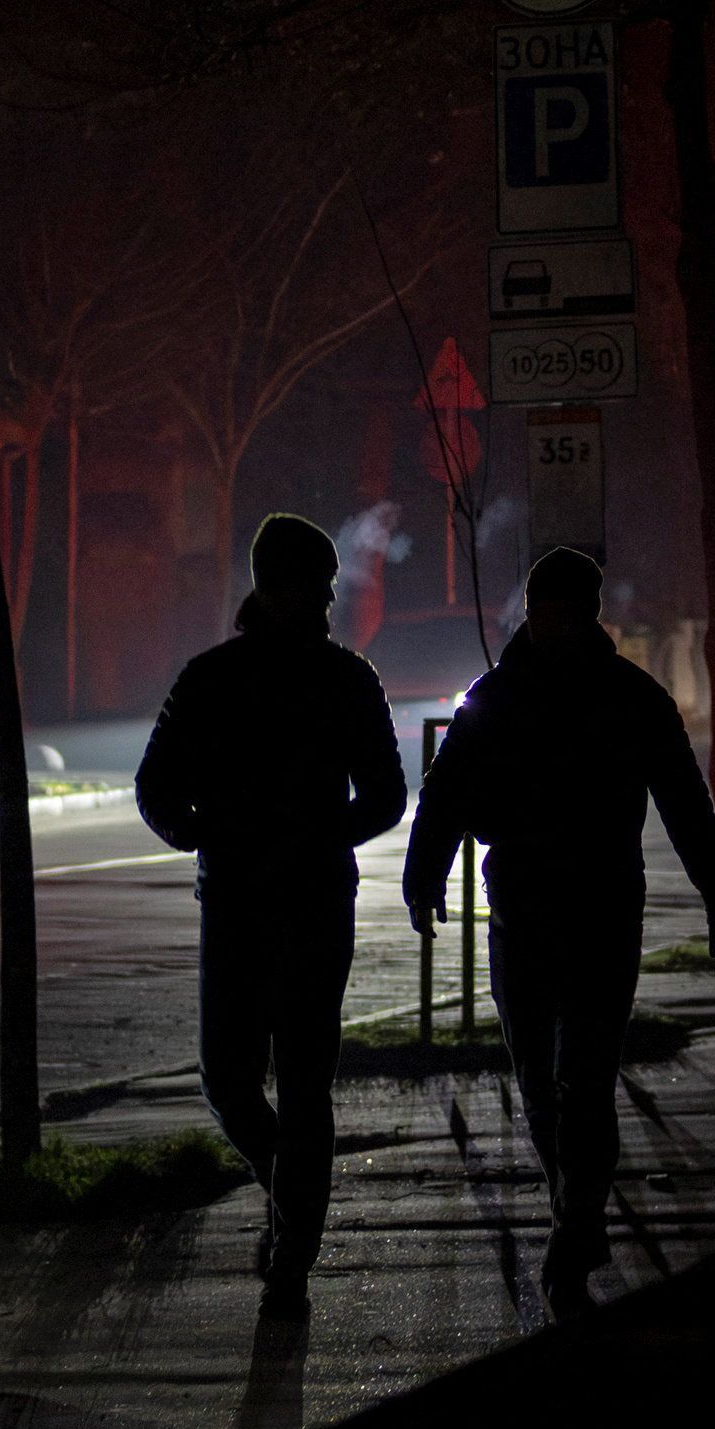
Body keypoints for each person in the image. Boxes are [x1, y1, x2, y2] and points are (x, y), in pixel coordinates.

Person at [402, 544, 715, 1308]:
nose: (550, 626)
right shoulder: (507, 697)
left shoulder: (626, 698)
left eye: (561, 613)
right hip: (529, 911)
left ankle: (576, 1216)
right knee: (540, 1080)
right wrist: (422, 871)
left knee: (582, 1078)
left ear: (587, 616)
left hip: (596, 911)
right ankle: (577, 1206)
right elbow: (446, 793)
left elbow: (686, 804)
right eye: (542, 613)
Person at [135, 511, 407, 1297]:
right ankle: (293, 1204)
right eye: (316, 591)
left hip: (303, 898)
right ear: (275, 587)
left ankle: (294, 1250)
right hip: (247, 899)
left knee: (301, 1078)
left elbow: (387, 794)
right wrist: (196, 833)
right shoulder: (214, 678)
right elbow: (157, 785)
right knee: (233, 1076)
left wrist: (317, 837)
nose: (326, 606)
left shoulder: (342, 678)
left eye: (329, 591)